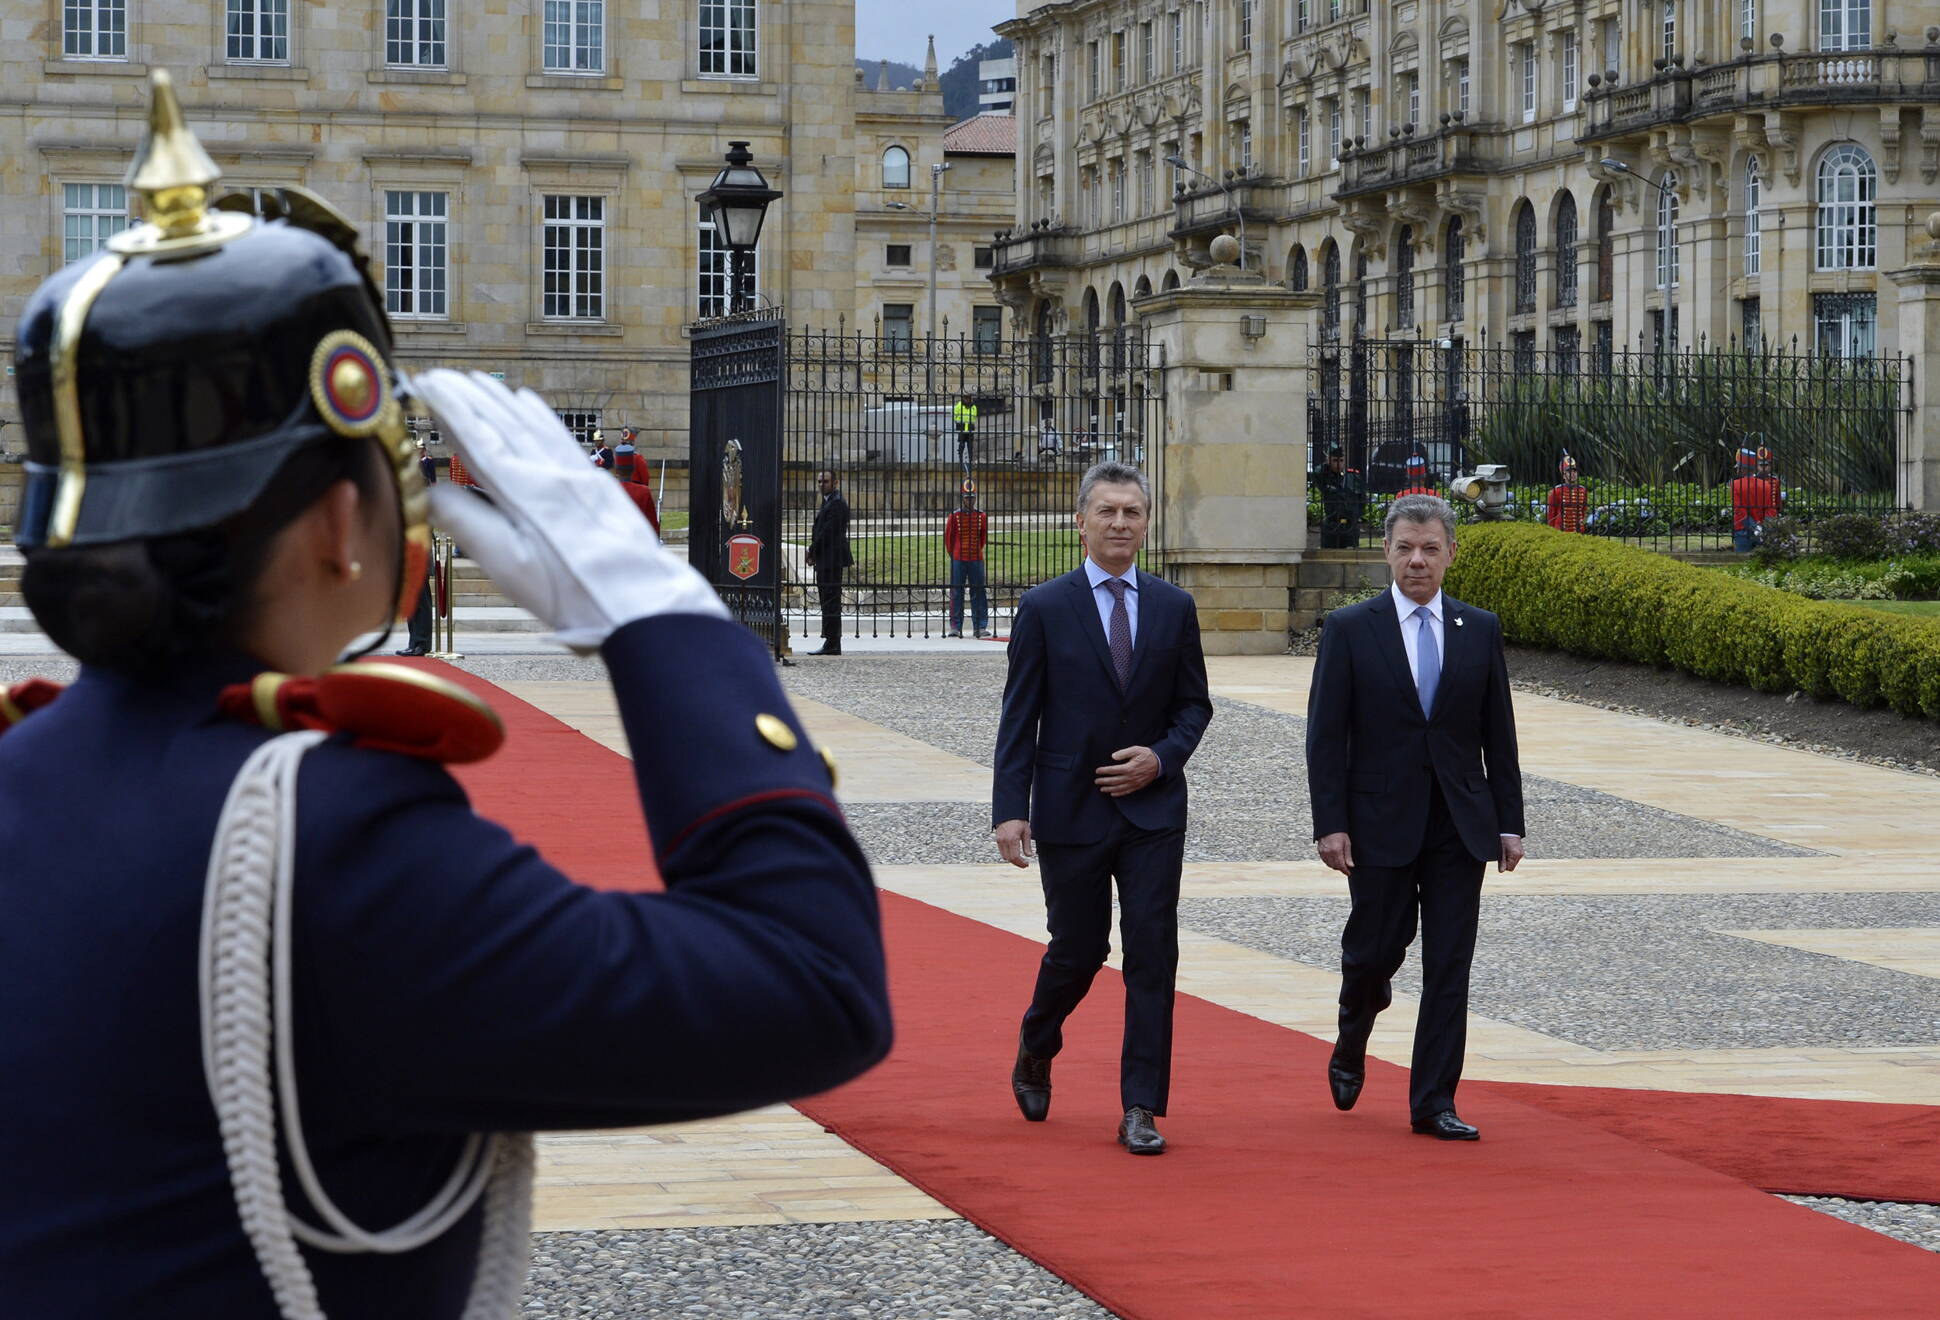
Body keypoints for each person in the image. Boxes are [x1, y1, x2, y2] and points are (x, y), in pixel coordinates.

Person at [0, 73, 890, 1318]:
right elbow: (813, 985)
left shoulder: (22, 775)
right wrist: (673, 628)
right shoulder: (318, 838)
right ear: (331, 523)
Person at [992, 462, 1213, 1157]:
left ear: (1148, 522)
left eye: (1133, 512)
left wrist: (1162, 756)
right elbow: (1018, 716)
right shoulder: (1045, 608)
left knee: (1153, 952)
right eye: (1108, 511)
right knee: (1081, 949)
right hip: (1070, 810)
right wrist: (1010, 808)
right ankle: (1038, 1039)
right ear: (1080, 521)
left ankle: (1141, 1107)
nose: (1121, 523)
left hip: (1153, 813)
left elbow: (1193, 705)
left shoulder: (1174, 607)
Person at [1305, 493, 1525, 1142]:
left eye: (1430, 548)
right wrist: (1331, 822)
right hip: (1378, 822)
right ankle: (1354, 1027)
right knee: (1376, 950)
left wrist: (1508, 821)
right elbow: (1325, 735)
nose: (1418, 560)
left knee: (1450, 963)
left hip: (1460, 825)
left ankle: (1434, 1101)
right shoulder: (1350, 628)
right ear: (1387, 553)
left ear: (1451, 554)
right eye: (1405, 548)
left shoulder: (1478, 629)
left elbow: (1498, 734)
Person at [805, 468, 852, 656]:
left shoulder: (837, 504)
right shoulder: (829, 502)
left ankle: (832, 642)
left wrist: (812, 549)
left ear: (835, 483)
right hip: (826, 558)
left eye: (825, 481)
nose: (821, 485)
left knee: (831, 601)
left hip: (832, 559)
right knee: (827, 600)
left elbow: (828, 532)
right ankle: (830, 641)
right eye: (819, 481)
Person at [944, 480, 990, 639]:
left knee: (978, 592)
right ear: (962, 498)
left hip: (976, 558)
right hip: (958, 558)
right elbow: (949, 539)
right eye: (967, 498)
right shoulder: (954, 516)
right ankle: (955, 626)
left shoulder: (981, 516)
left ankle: (980, 626)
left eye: (972, 498)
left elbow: (982, 537)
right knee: (957, 592)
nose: (970, 501)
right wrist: (955, 554)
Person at [1730, 446, 1782, 552]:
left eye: (1739, 467)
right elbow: (1770, 508)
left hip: (1743, 528)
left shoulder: (1735, 485)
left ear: (1743, 469)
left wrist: (1753, 527)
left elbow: (1740, 510)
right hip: (1762, 526)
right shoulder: (1766, 485)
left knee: (1742, 562)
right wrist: (1764, 526)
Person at [1313, 445, 1365, 549]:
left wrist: (1356, 515)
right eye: (1335, 460)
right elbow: (1316, 472)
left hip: (1350, 525)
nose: (1339, 464)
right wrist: (1327, 464)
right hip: (1332, 524)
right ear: (1328, 461)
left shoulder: (1352, 476)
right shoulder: (1324, 476)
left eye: (1341, 460)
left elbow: (1362, 499)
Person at [1545, 454, 1589, 534]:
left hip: (1577, 529)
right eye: (1569, 471)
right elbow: (1551, 513)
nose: (1573, 474)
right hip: (1560, 529)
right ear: (1563, 475)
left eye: (1575, 471)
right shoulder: (1557, 490)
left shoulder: (1582, 490)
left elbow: (1583, 510)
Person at [953, 395, 979, 467]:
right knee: (961, 445)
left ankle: (970, 461)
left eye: (968, 398)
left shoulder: (973, 407)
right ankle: (960, 461)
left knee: (970, 446)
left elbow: (974, 417)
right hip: (962, 427)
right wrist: (959, 423)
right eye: (965, 398)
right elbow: (955, 417)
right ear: (963, 398)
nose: (967, 400)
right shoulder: (959, 406)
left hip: (970, 428)